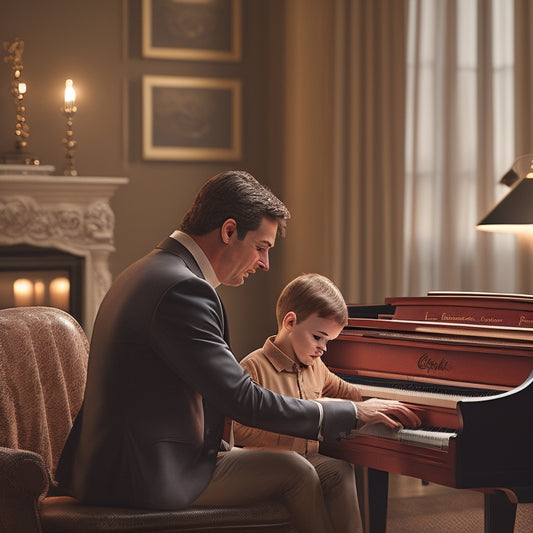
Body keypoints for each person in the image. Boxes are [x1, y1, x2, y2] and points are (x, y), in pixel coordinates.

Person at [56, 170, 420, 533]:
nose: (265, 264)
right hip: (144, 473)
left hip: (124, 463)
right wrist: (352, 412)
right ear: (229, 231)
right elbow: (243, 400)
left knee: (330, 469)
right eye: (262, 247)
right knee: (294, 471)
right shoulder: (183, 289)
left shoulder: (148, 271)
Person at [233, 273, 364, 533]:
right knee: (303, 476)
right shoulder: (252, 367)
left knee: (340, 470)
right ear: (290, 322)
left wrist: (398, 400)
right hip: (269, 466)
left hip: (310, 460)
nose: (323, 349)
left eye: (328, 341)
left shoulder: (317, 366)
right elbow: (238, 431)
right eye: (318, 337)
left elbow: (350, 393)